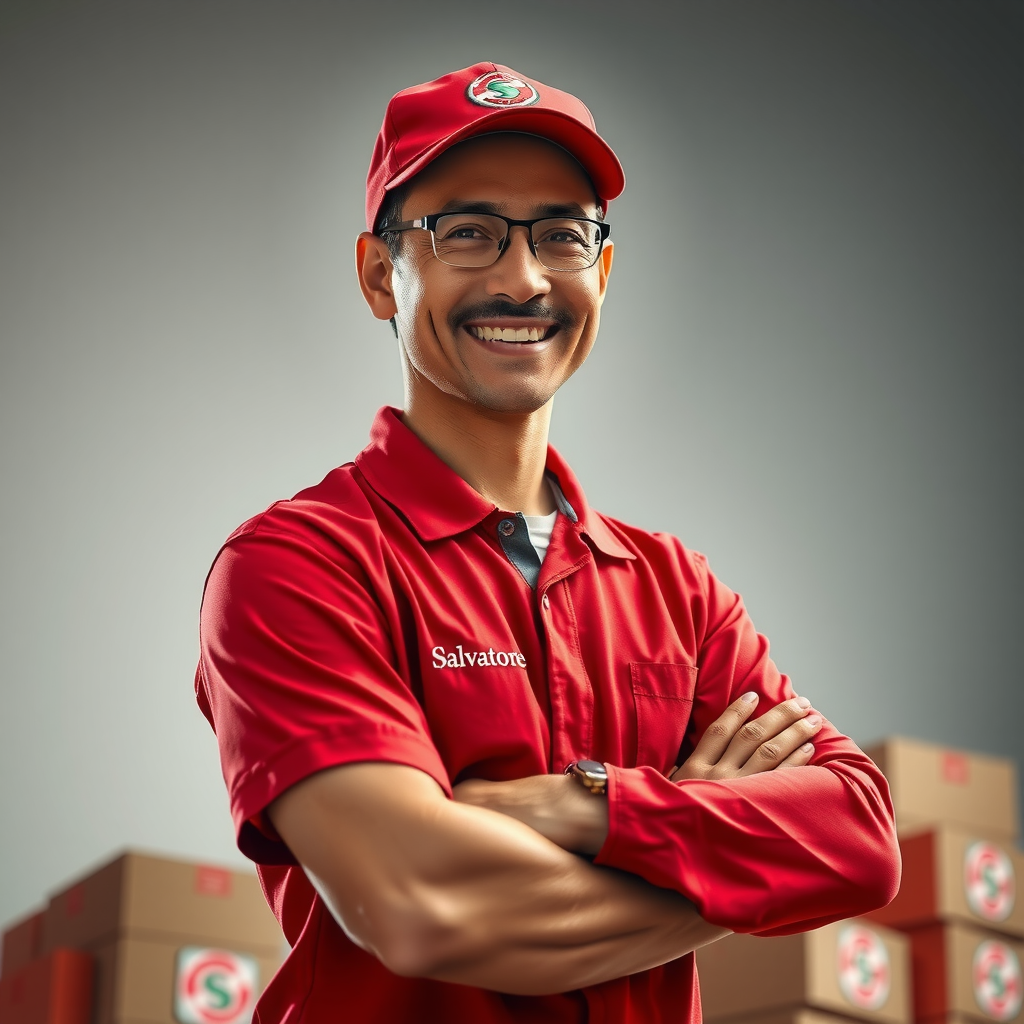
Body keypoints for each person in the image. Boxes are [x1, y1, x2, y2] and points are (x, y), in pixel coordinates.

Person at [195, 61, 900, 1023]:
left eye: (561, 236)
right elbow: (426, 908)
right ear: (378, 275)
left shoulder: (676, 588)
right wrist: (722, 847)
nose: (522, 279)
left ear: (601, 273)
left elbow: (860, 839)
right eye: (468, 232)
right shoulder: (298, 566)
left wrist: (586, 803)